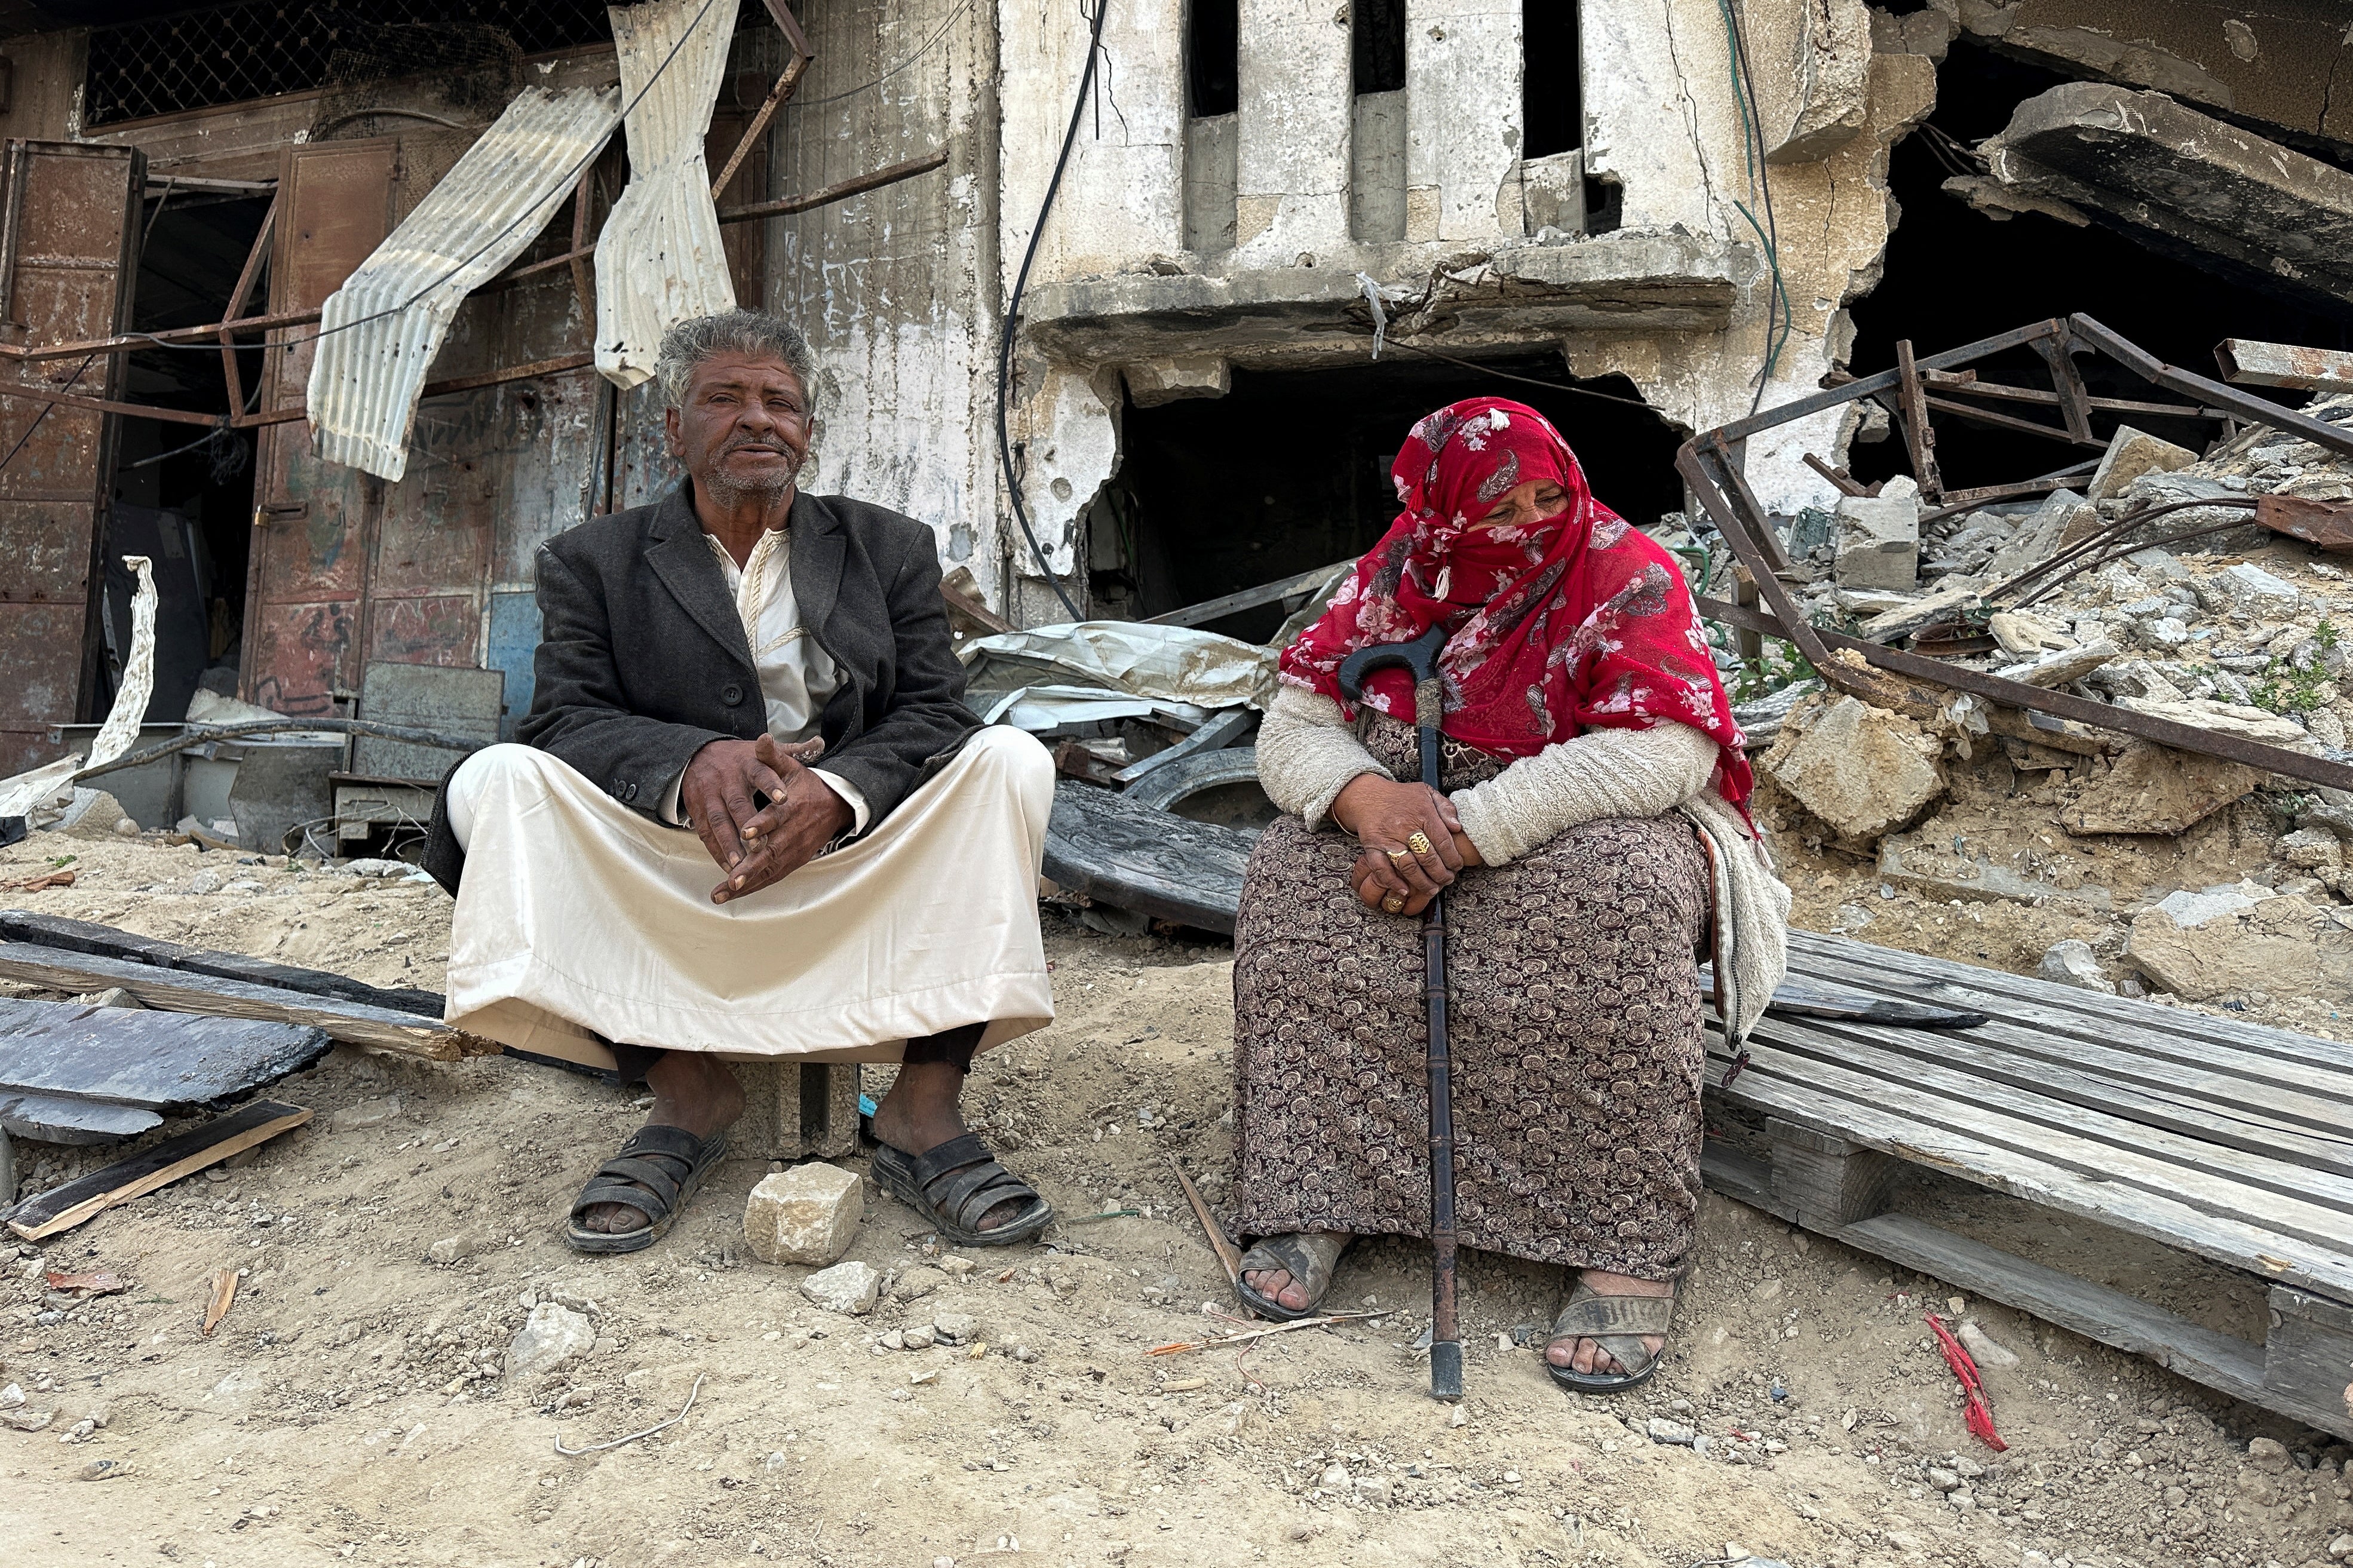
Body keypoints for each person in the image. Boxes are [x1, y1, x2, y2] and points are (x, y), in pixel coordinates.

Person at [421, 309, 1057, 1255]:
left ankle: (924, 1110)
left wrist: (840, 790)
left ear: (807, 431)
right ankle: (685, 1092)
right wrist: (689, 760)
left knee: (1013, 761)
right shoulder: (592, 562)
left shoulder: (888, 548)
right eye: (725, 398)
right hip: (679, 861)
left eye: (780, 403)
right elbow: (566, 722)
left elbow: (935, 714)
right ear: (672, 429)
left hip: (852, 855)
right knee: (495, 781)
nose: (758, 420)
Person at [1232, 397, 1789, 1392]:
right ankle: (1328, 1185)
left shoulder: (1624, 572)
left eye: (1547, 495)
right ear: (1441, 512)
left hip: (1576, 820)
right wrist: (1365, 802)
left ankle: (1622, 1242)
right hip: (1402, 821)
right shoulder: (1395, 577)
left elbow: (1666, 749)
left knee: (1618, 902)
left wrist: (1468, 832)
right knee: (1288, 880)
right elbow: (1292, 729)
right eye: (1496, 509)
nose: (1528, 522)